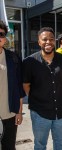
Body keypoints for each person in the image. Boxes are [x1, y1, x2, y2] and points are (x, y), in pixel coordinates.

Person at [23, 27, 62, 150]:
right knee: (40, 145)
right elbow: (26, 85)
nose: (48, 42)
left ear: (55, 41)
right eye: (44, 39)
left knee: (60, 145)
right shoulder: (30, 62)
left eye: (51, 39)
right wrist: (37, 98)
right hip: (39, 113)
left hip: (61, 112)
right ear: (39, 42)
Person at [0, 20, 24, 150]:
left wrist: (19, 112)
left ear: (5, 38)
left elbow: (19, 88)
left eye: (1, 34)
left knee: (8, 147)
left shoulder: (13, 58)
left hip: (9, 114)